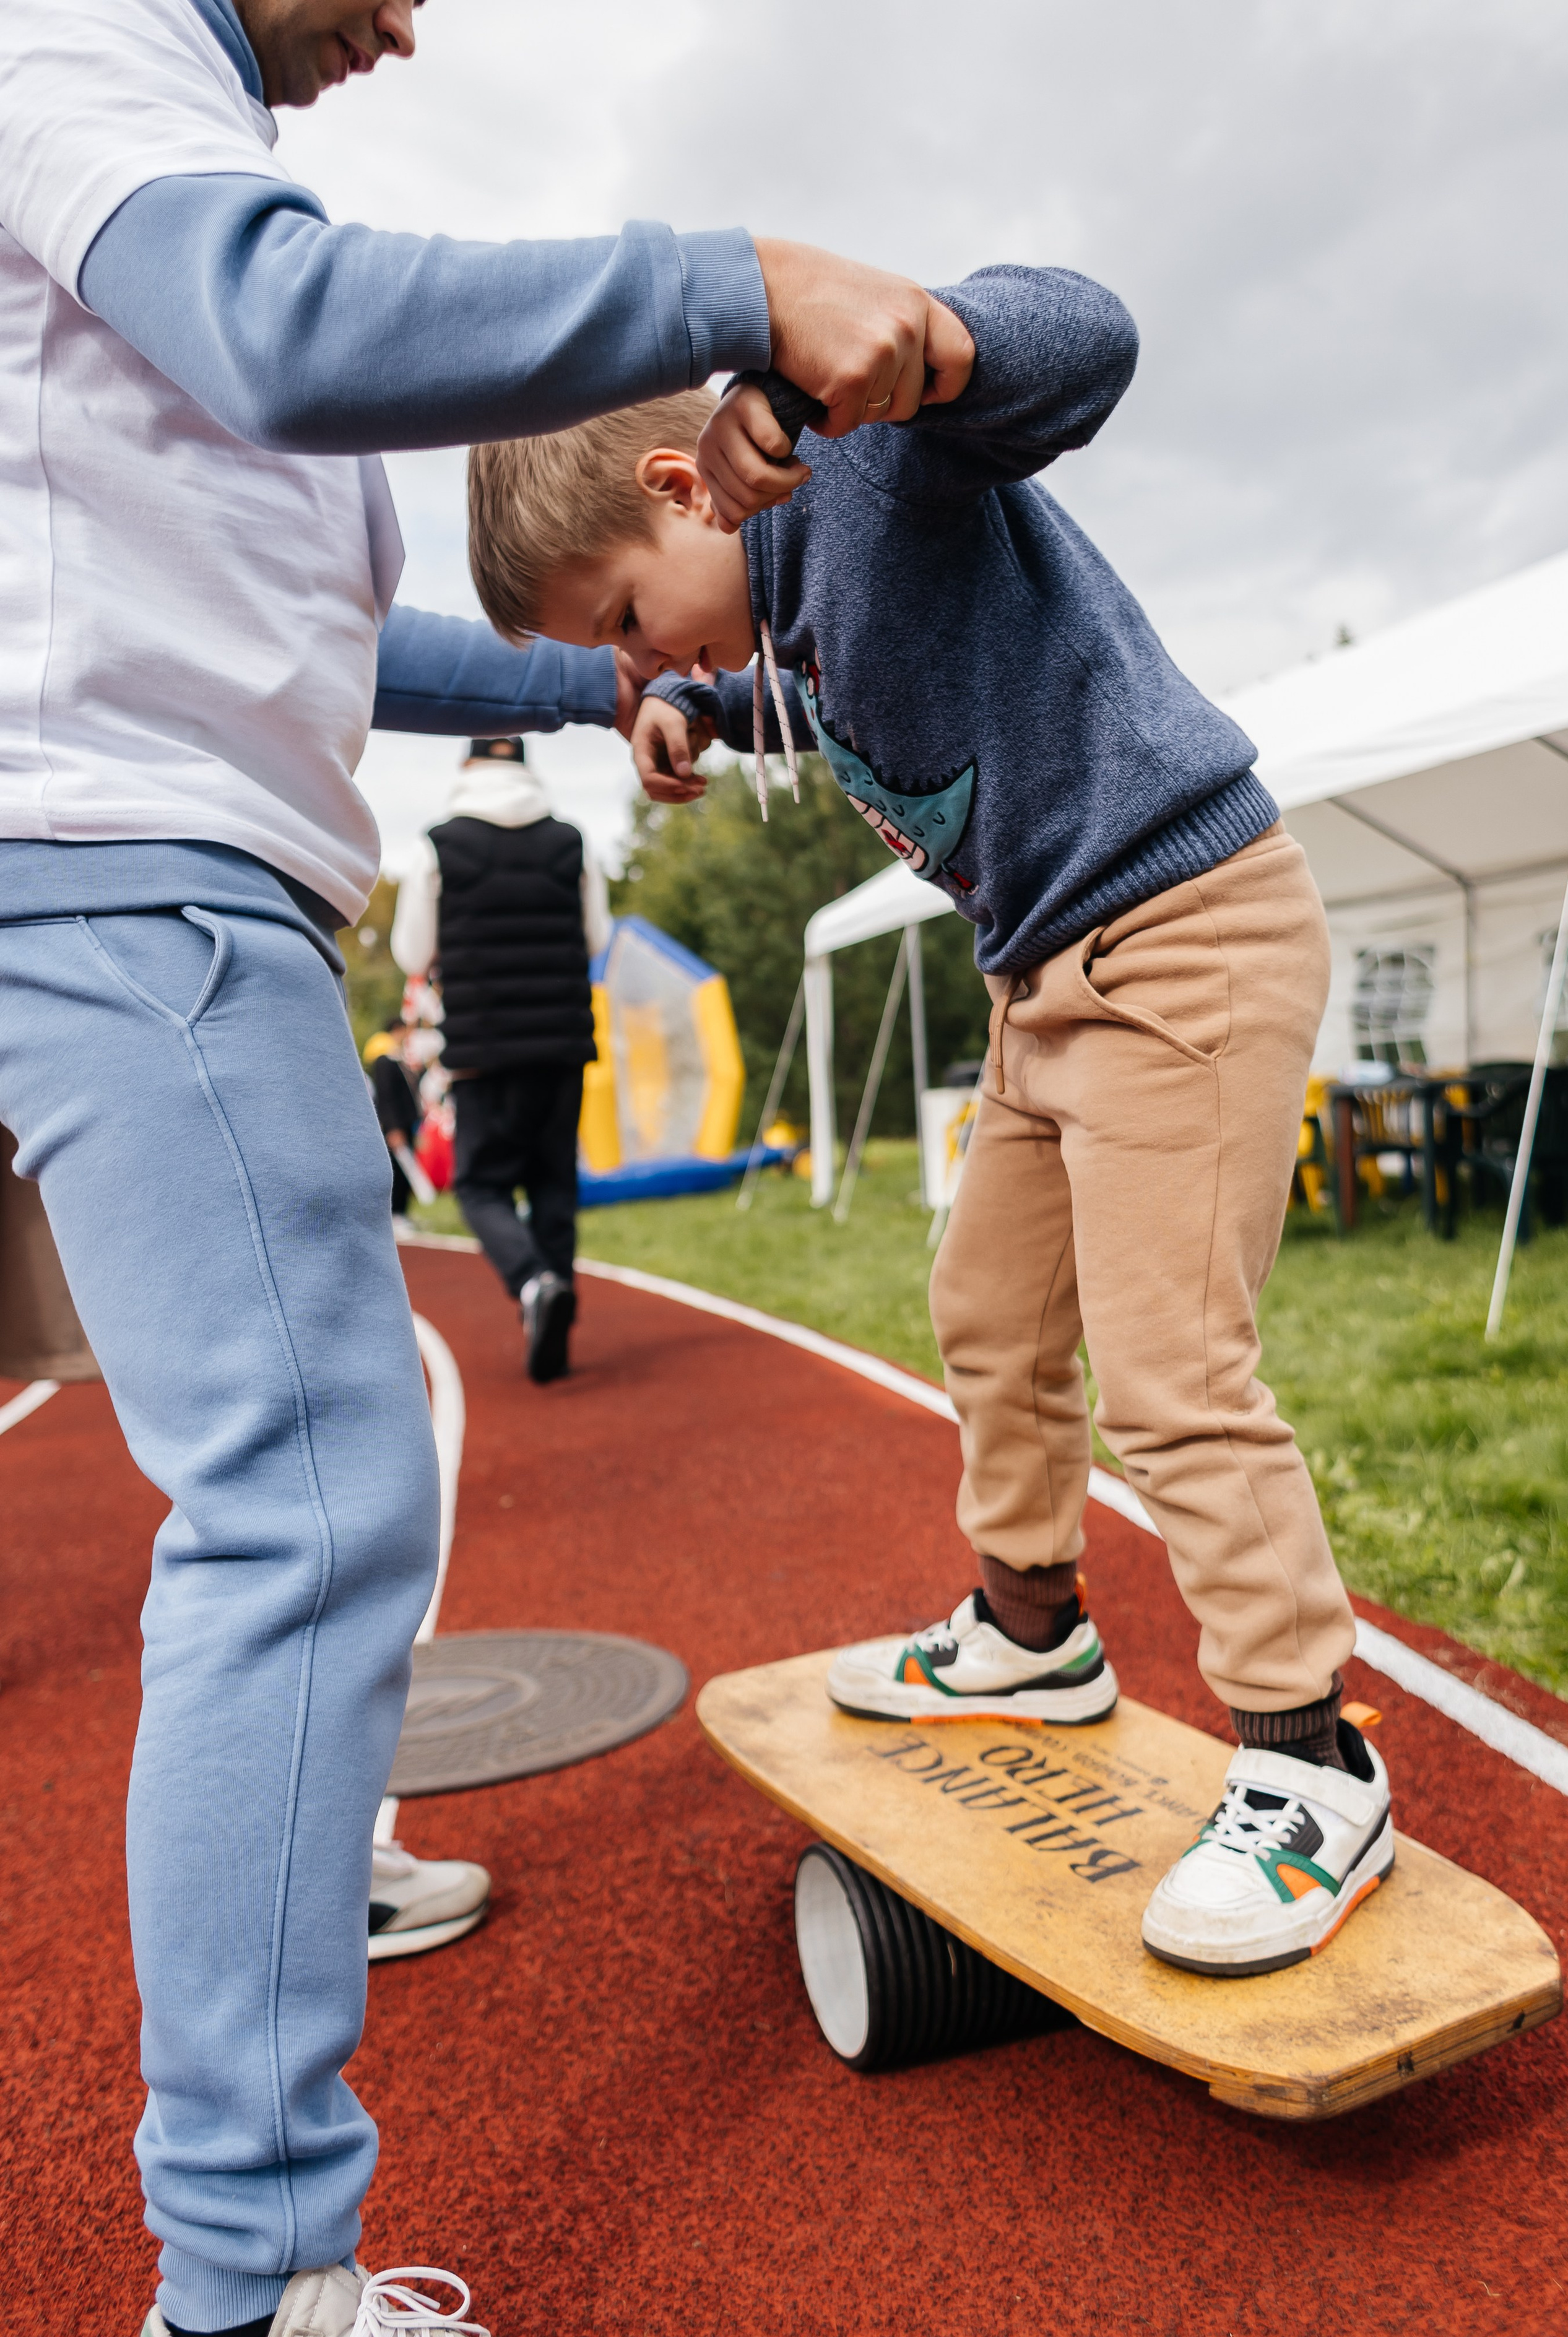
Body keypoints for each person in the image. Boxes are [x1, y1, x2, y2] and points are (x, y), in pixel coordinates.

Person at [0, 0, 974, 2337]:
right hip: (127, 872)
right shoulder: (76, 41)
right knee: (308, 1503)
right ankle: (254, 2306)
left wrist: (604, 690)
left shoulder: (157, 134)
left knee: (298, 1495)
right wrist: (734, 280)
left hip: (116, 861)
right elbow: (288, 322)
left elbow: (319, 638)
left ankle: (273, 1906)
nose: (408, 23)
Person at [466, 263, 1395, 1993]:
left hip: (1182, 933)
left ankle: (1310, 1756)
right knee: (986, 1310)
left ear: (684, 488)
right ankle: (1033, 1633)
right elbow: (801, 679)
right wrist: (695, 704)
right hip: (1046, 977)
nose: (636, 659)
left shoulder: (866, 468)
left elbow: (1088, 341)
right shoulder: (784, 608)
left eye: (626, 622)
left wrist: (876, 366)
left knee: (1172, 1373)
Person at [392, 737, 610, 1382]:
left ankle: (534, 1283)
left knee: (481, 1185)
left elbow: (412, 954)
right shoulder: (573, 841)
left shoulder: (438, 845)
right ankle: (554, 1335)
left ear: (468, 766)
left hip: (482, 1049)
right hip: (563, 1044)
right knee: (553, 1184)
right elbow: (595, 938)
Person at [365, 1018, 423, 1219]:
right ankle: (395, 1213)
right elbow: (387, 1097)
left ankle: (402, 1211)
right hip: (396, 1125)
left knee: (405, 1170)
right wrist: (393, 1127)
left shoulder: (397, 1058)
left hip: (406, 1123)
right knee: (397, 1170)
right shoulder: (384, 1059)